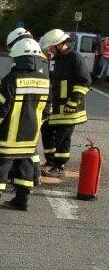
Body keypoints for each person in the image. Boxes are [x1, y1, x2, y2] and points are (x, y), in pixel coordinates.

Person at [0, 37, 51, 213]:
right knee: (25, 167)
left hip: (8, 136)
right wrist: (36, 127)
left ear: (18, 58)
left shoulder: (11, 79)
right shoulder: (45, 80)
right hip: (30, 136)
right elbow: (47, 111)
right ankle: (22, 200)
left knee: (1, 167)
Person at [39, 28, 91, 178]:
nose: (49, 50)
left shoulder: (75, 57)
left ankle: (60, 166)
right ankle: (50, 161)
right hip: (56, 107)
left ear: (59, 44)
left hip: (70, 108)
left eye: (51, 47)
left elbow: (84, 81)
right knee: (47, 130)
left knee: (63, 137)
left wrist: (73, 102)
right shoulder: (56, 59)